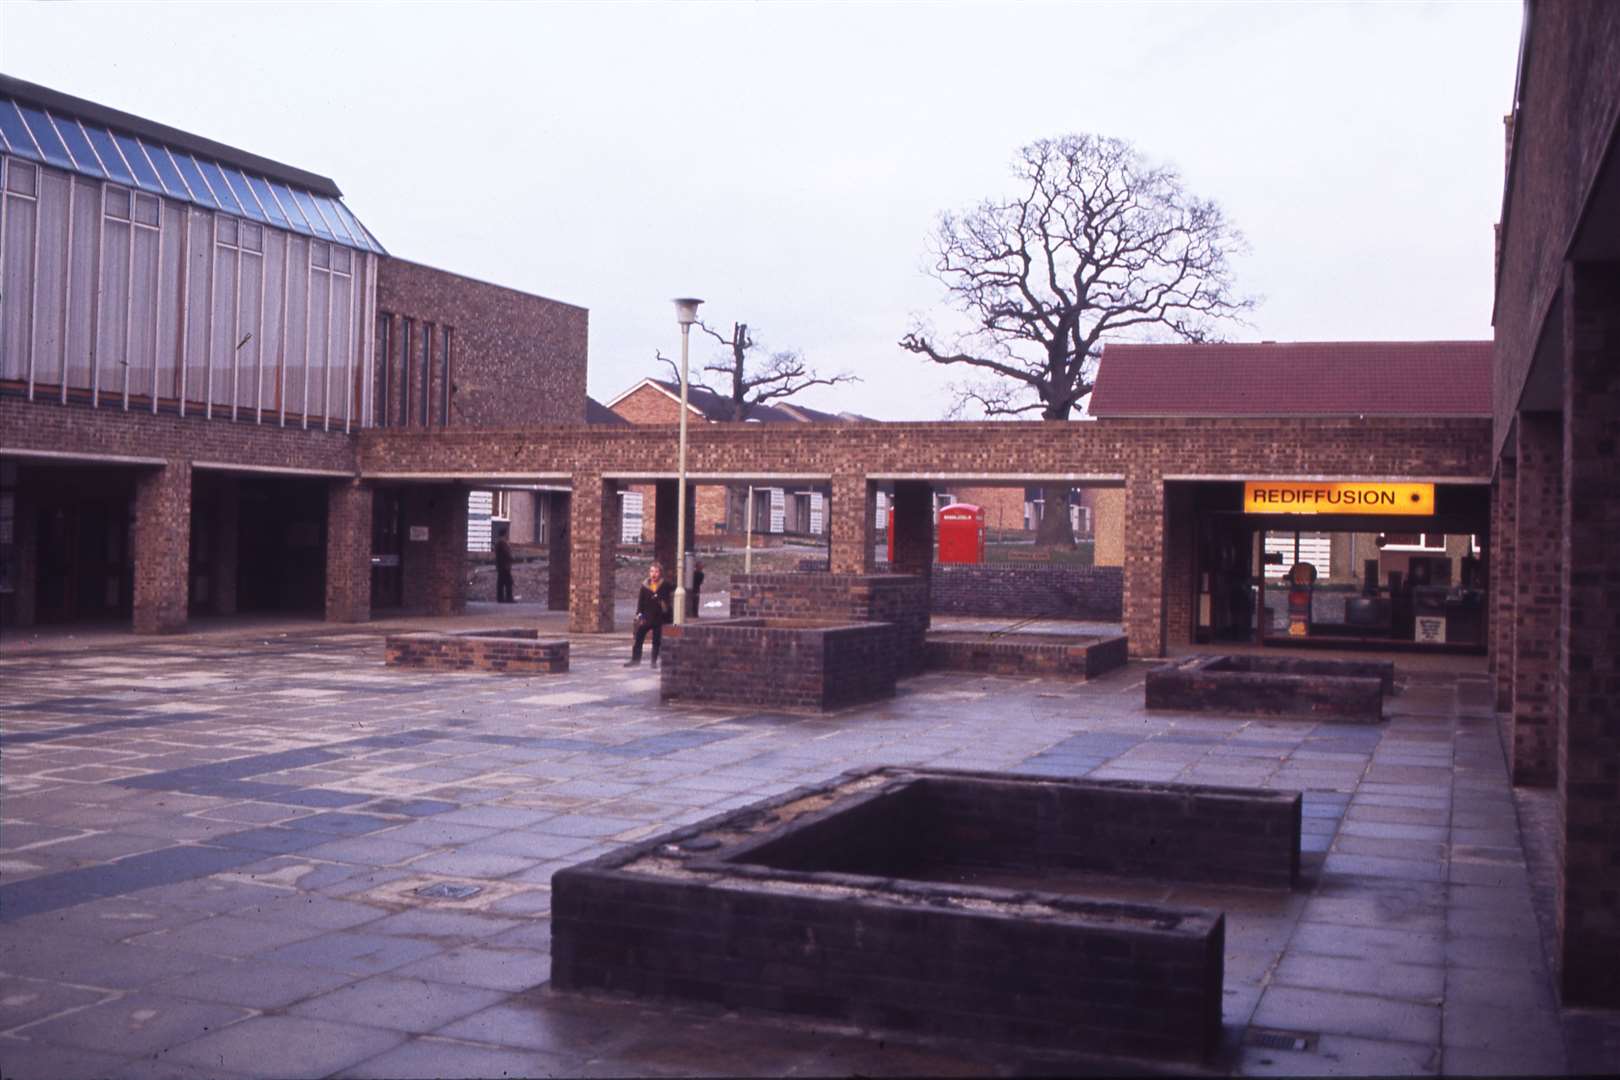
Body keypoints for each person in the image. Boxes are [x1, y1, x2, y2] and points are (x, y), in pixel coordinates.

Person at [625, 562, 674, 667]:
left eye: (656, 571)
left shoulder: (664, 585)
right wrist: (639, 614)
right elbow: (641, 602)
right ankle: (635, 660)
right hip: (647, 617)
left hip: (659, 618)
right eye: (652, 571)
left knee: (656, 640)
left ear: (660, 573)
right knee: (639, 638)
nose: (654, 574)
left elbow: (671, 592)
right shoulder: (645, 585)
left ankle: (653, 661)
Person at [494, 534, 515, 603]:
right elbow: (507, 553)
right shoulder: (502, 543)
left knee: (500, 583)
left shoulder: (498, 543)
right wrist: (511, 558)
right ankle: (508, 598)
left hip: (501, 566)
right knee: (508, 582)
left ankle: (500, 598)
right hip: (505, 566)